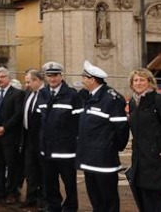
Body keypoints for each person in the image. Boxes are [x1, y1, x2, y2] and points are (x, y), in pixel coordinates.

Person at [76, 60, 130, 212]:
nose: (82, 81)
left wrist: (112, 147)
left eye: (84, 78)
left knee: (108, 199)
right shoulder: (88, 96)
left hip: (104, 159)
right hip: (89, 158)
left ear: (92, 80)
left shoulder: (111, 99)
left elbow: (121, 128)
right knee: (95, 198)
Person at [127, 68, 161, 212]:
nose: (138, 83)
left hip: (156, 158)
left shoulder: (159, 100)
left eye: (142, 80)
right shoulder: (133, 103)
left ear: (150, 82)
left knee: (155, 197)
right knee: (141, 195)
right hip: (139, 158)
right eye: (135, 80)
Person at [37, 61, 82, 212]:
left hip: (65, 148)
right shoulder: (42, 94)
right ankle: (53, 205)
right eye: (49, 76)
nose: (52, 79)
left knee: (69, 181)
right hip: (47, 148)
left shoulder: (72, 95)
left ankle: (71, 206)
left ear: (61, 76)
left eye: (55, 75)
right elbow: (39, 121)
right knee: (49, 181)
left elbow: (78, 123)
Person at [0, 66, 25, 204]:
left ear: (8, 78)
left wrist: (4, 128)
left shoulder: (17, 94)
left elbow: (18, 114)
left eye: (2, 77)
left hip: (9, 136)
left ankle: (11, 192)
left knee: (11, 165)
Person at [21, 69, 46, 209]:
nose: (26, 85)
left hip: (41, 139)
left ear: (37, 81)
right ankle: (31, 196)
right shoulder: (28, 93)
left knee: (42, 170)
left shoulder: (46, 94)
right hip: (28, 137)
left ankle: (42, 198)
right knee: (30, 169)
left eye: (28, 82)